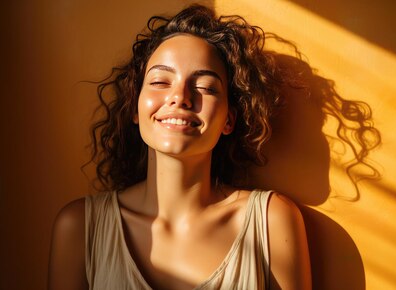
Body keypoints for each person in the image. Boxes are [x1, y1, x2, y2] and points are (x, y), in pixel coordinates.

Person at [48, 5, 311, 290]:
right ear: (135, 108)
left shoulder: (271, 222)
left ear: (229, 120)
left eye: (206, 87)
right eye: (160, 81)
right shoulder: (80, 228)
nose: (180, 97)